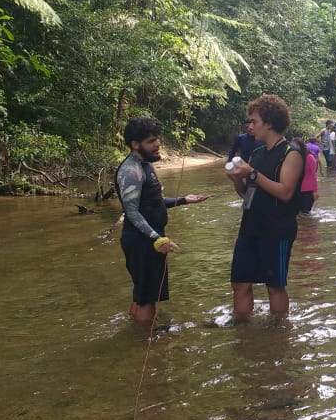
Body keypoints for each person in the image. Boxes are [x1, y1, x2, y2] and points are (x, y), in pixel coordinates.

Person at [115, 117, 210, 327]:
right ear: (135, 144)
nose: (158, 144)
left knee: (142, 295)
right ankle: (144, 344)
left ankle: (136, 334)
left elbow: (152, 203)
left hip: (149, 241)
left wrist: (183, 200)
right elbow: (131, 211)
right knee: (146, 298)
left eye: (157, 139)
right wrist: (157, 238)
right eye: (151, 141)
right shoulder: (131, 171)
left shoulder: (145, 165)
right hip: (142, 242)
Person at [226, 94, 305, 320]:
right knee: (239, 282)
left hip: (276, 228)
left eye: (254, 122)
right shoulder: (257, 153)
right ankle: (242, 329)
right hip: (250, 225)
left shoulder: (291, 154)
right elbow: (247, 193)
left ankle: (277, 332)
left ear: (269, 123)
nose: (250, 127)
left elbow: (285, 192)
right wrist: (237, 181)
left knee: (274, 285)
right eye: (248, 122)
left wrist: (251, 173)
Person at [293, 138, 319, 214]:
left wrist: (315, 191)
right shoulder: (296, 158)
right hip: (298, 190)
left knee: (305, 213)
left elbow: (314, 175)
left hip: (308, 191)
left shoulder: (309, 157)